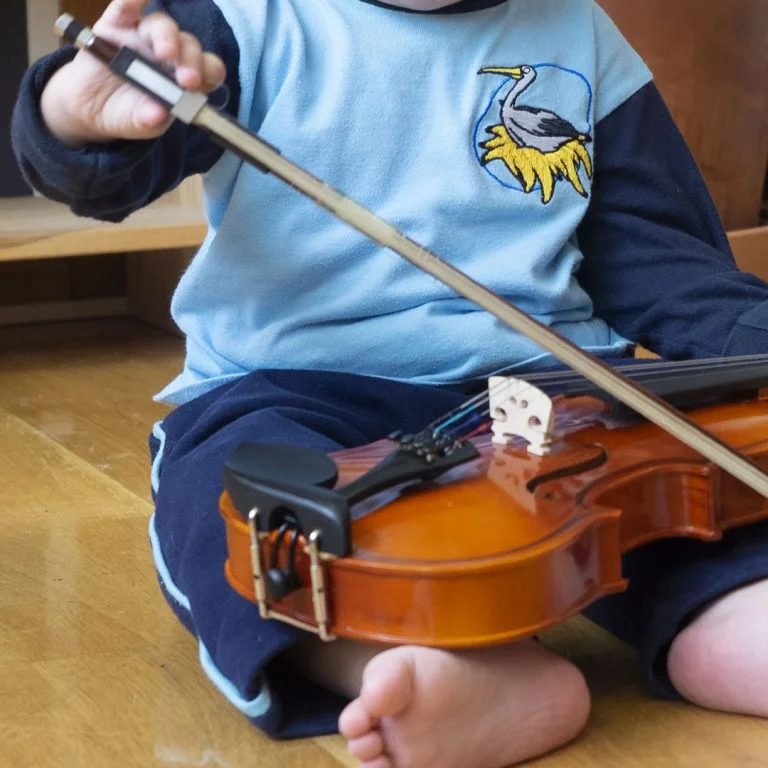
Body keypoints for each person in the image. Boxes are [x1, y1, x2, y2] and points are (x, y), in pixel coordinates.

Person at [12, 0, 768, 766]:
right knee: (237, 497)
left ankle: (733, 615)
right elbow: (110, 166)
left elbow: (659, 257)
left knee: (696, 483)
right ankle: (404, 657)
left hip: (552, 391)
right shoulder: (237, 18)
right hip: (299, 386)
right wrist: (76, 115)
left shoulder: (581, 29)